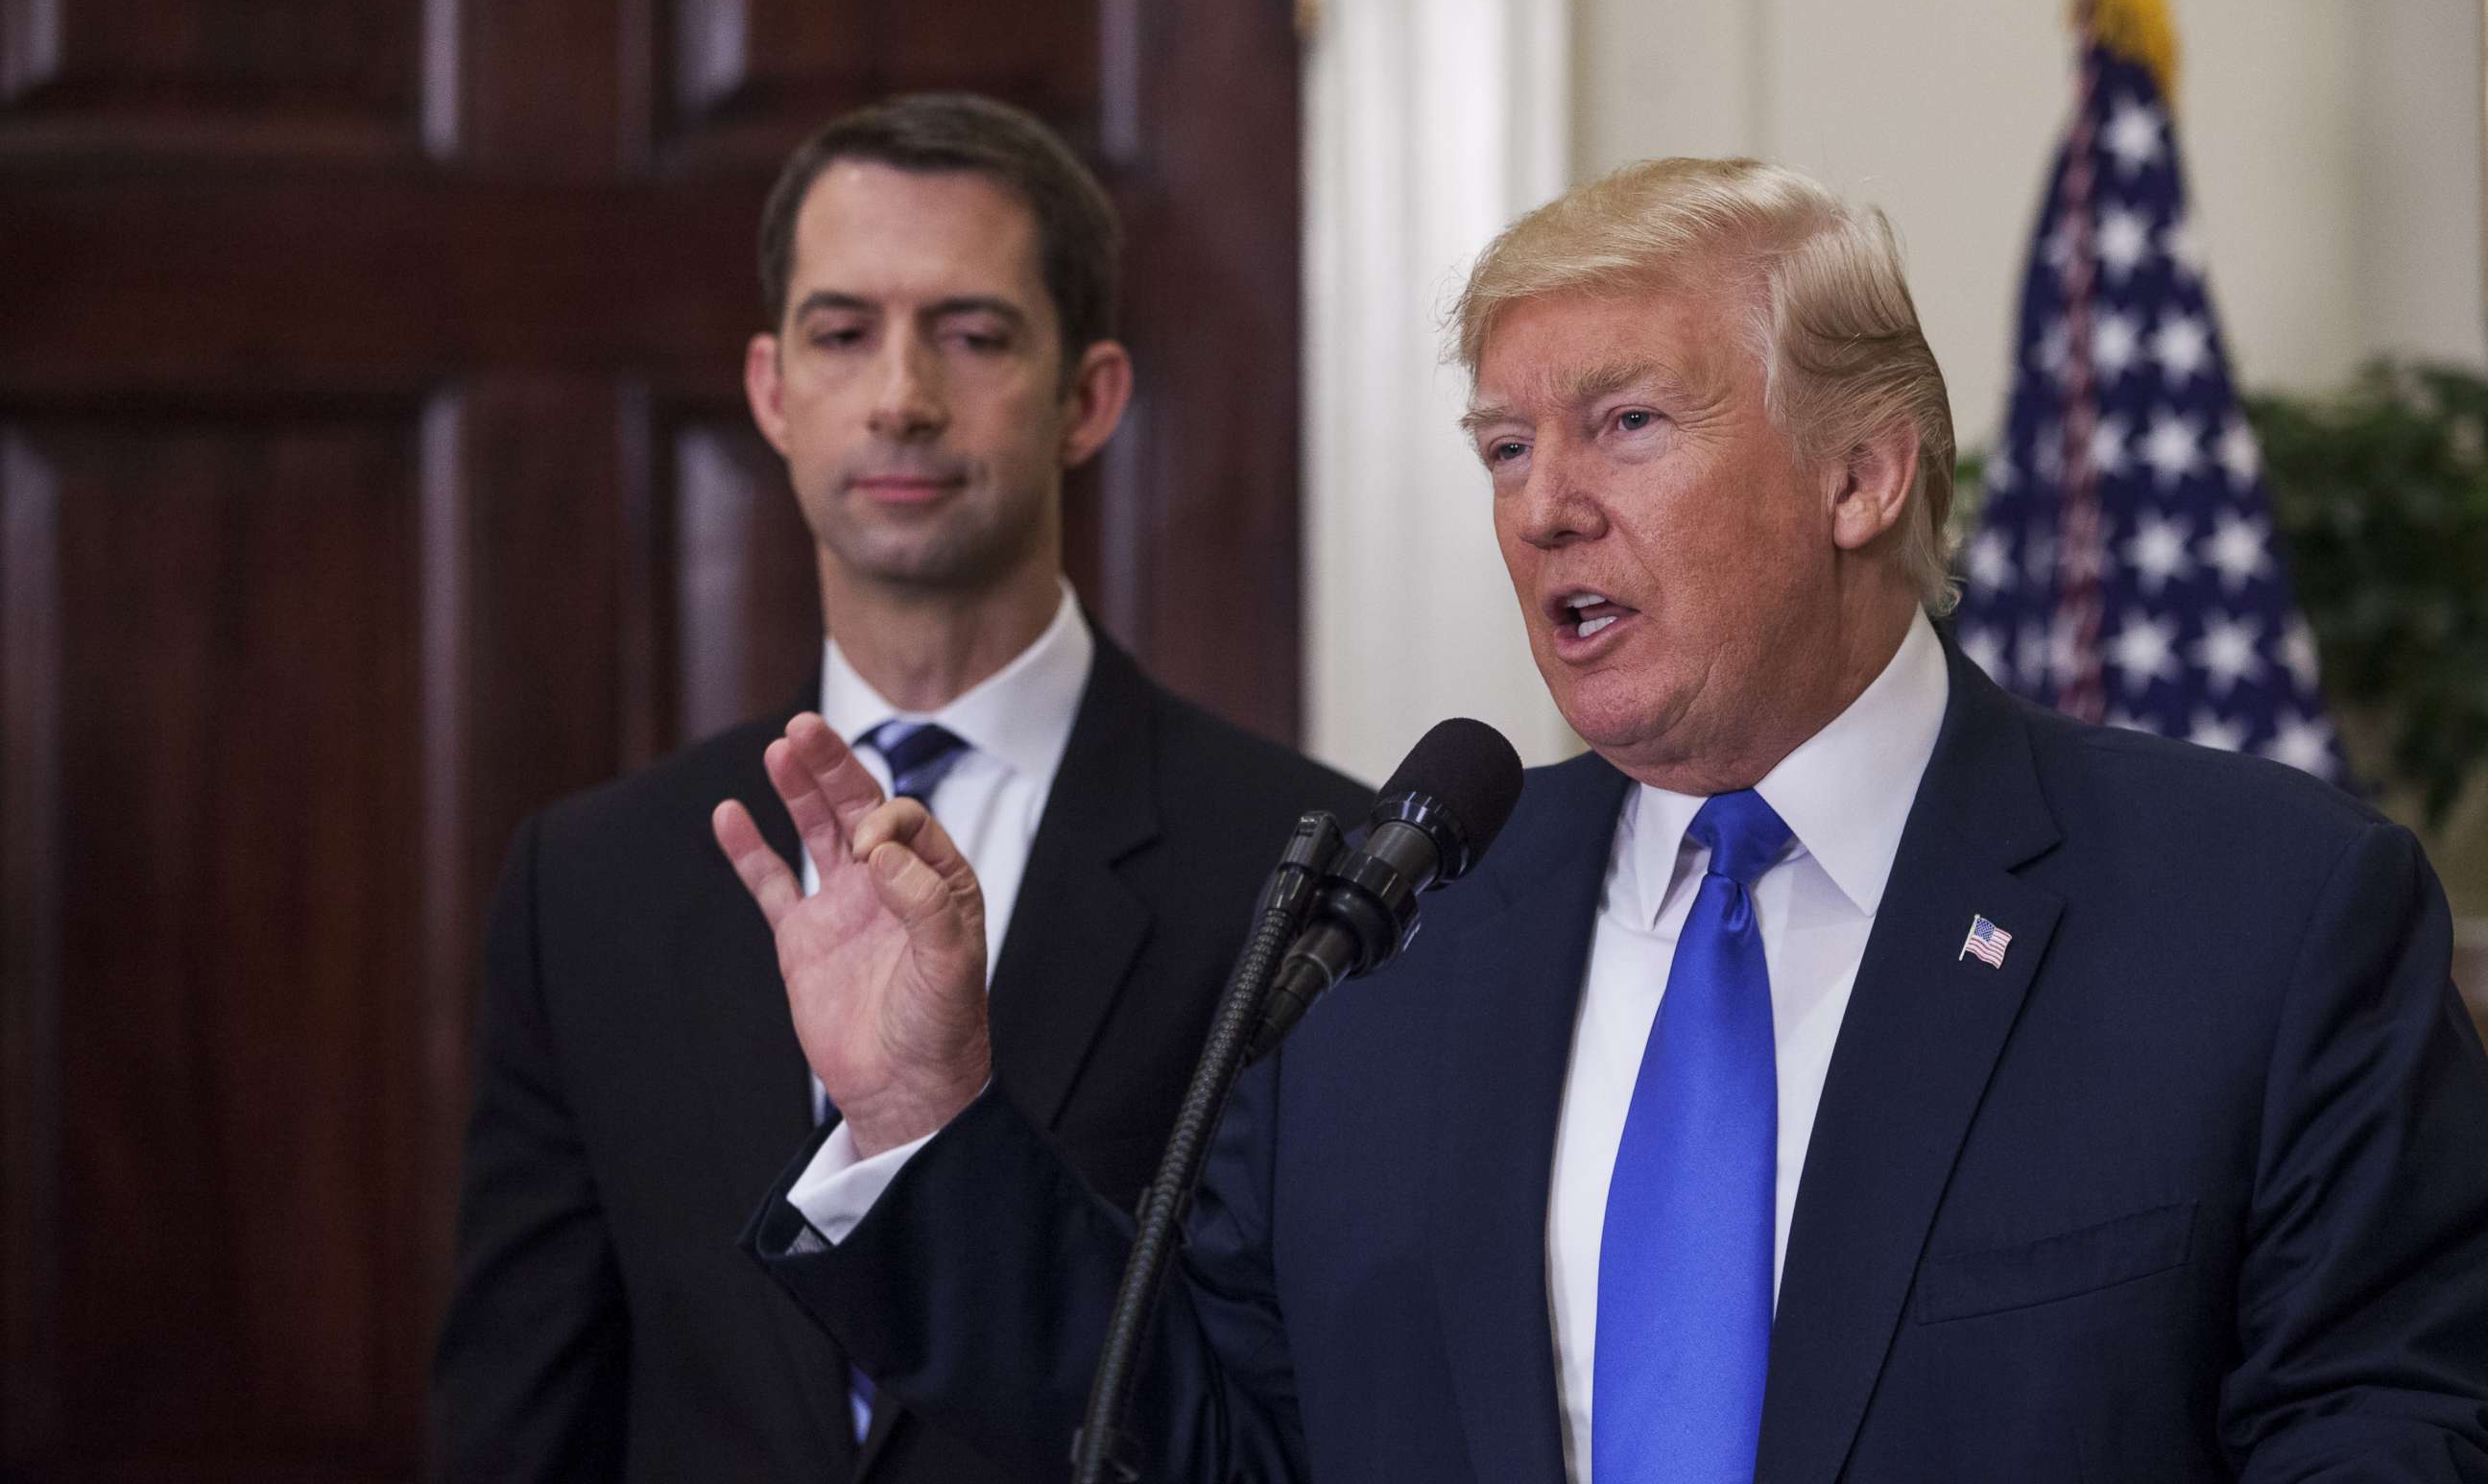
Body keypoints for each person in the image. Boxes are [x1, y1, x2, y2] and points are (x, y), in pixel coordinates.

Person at [723, 156, 2488, 1483]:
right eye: (1504, 449)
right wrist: (921, 1110)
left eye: (1625, 425)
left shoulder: (2260, 918)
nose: (1546, 507)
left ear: (1863, 474)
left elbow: (2388, 1430)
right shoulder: (1390, 947)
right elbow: (1191, 1443)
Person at [429, 92, 1369, 1483]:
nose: (901, 397)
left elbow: (1299, 1426)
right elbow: (523, 1424)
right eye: (842, 331)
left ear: (1089, 398)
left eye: (974, 334)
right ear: (770, 391)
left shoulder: (1302, 872)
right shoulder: (592, 883)